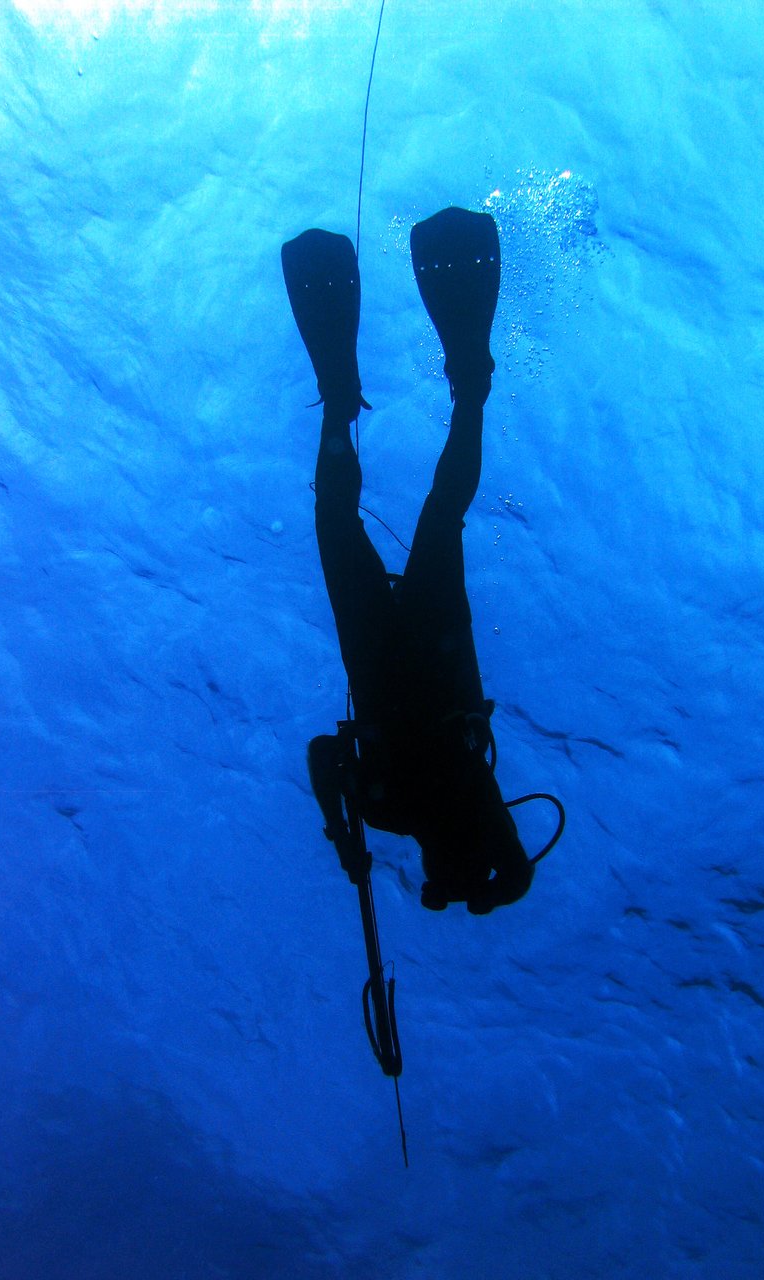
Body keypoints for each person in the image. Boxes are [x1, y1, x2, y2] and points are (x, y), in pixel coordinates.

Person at [282, 207, 533, 915]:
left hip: (394, 639)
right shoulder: (438, 809)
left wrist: (345, 837)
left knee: (383, 516)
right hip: (426, 640)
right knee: (425, 514)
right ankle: (465, 389)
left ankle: (351, 397)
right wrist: (347, 837)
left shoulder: (396, 812)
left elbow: (322, 758)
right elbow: (513, 872)